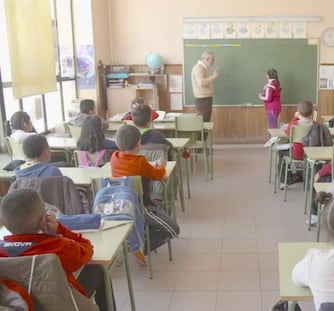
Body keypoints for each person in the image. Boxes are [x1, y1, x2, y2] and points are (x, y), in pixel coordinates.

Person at [0, 188, 115, 310]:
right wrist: (59, 230)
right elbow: (87, 249)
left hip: (22, 305)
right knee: (96, 269)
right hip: (62, 304)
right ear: (44, 219)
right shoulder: (58, 246)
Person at [111, 125, 180, 262]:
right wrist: (161, 165)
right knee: (174, 229)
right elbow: (159, 175)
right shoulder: (140, 162)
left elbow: (133, 166)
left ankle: (138, 237)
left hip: (121, 204)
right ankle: (140, 247)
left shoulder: (115, 157)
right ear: (138, 143)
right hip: (141, 206)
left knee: (164, 209)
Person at [191, 50, 219, 122]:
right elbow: (201, 83)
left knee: (205, 122)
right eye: (212, 60)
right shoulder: (199, 68)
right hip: (203, 100)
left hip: (204, 99)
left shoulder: (202, 68)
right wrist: (213, 76)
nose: (213, 62)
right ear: (207, 59)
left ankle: (204, 134)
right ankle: (203, 134)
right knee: (204, 123)